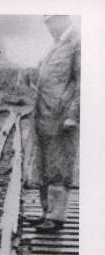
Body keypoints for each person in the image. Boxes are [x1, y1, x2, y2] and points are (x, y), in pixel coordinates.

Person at [27, 15, 80, 233]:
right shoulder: (57, 44)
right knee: (45, 164)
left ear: (62, 19)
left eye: (51, 22)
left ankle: (56, 217)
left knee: (59, 165)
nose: (49, 28)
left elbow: (83, 83)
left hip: (61, 117)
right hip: (45, 115)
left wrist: (73, 115)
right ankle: (46, 212)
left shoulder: (77, 42)